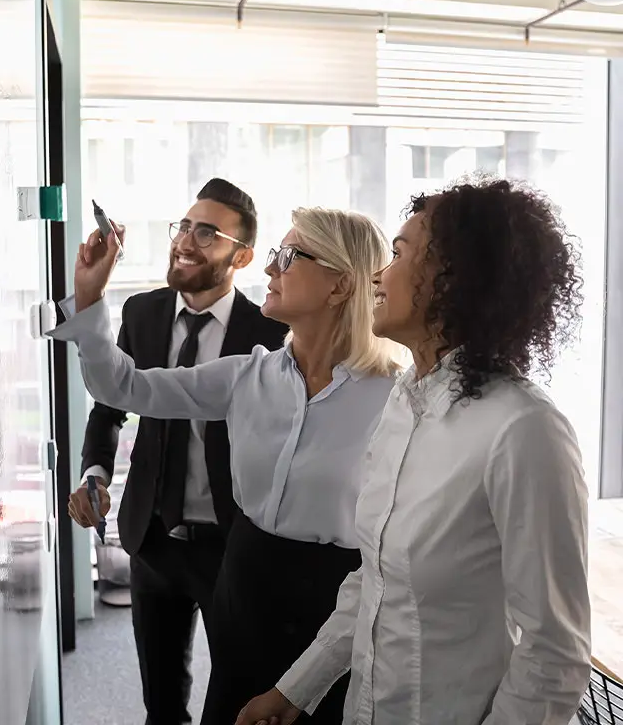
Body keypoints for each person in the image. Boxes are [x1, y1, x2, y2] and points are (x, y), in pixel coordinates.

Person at [237, 177, 591, 725]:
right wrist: (294, 692)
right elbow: (372, 581)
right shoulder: (404, 400)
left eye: (399, 254)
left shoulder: (524, 430)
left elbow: (553, 655)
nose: (378, 273)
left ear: (453, 279)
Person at [49, 205, 401, 725]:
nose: (268, 269)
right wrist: (89, 297)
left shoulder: (395, 398)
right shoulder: (247, 376)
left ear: (340, 286)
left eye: (288, 256)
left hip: (336, 601)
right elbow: (123, 387)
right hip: (246, 579)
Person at [67, 178, 288, 725]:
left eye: (207, 233)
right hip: (153, 538)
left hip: (232, 546)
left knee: (240, 698)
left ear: (242, 256)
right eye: (184, 226)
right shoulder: (142, 313)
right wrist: (95, 472)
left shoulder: (269, 331)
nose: (186, 240)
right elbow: (109, 408)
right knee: (161, 704)